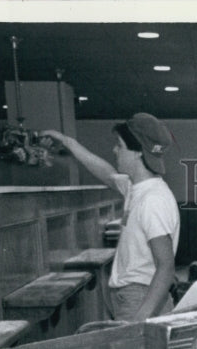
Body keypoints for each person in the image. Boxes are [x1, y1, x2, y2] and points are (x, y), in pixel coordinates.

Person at [42, 113, 180, 321]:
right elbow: (106, 173)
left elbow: (166, 267)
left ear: (136, 153)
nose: (114, 150)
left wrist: (139, 320)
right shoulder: (136, 188)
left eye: (119, 145)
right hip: (133, 296)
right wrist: (68, 142)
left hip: (141, 298)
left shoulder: (153, 200)